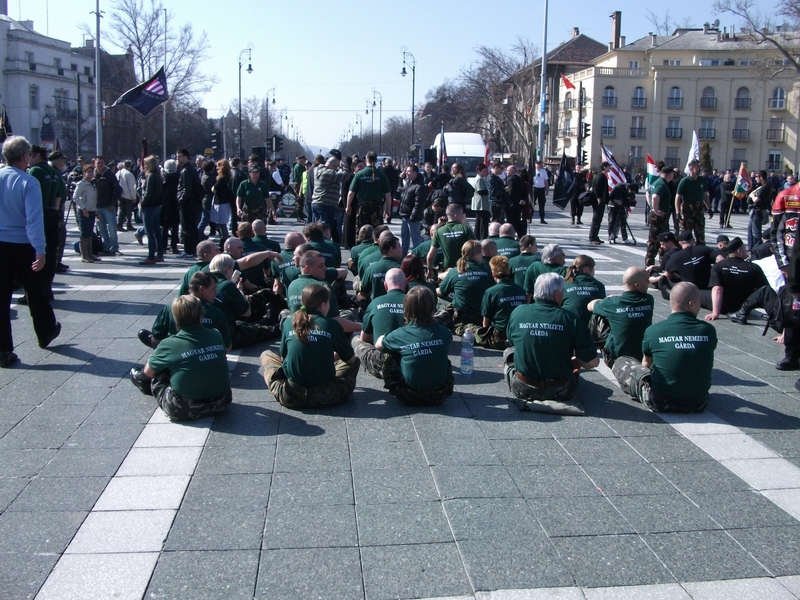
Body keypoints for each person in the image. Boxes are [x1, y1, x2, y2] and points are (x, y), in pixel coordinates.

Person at [0, 136, 61, 367]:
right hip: (24, 244)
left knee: (2, 297)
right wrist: (40, 250)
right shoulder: (28, 182)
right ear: (25, 156)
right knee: (35, 291)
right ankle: (45, 331)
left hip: (1, 243)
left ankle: (3, 349)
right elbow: (33, 220)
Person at [613, 282, 716, 413]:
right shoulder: (708, 330)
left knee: (622, 361)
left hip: (660, 402)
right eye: (699, 302)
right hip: (699, 403)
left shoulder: (654, 330)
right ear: (691, 304)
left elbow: (646, 364)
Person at [504, 272, 599, 415]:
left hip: (524, 389)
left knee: (509, 352)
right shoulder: (571, 319)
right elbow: (593, 363)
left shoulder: (518, 312)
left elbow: (512, 341)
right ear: (556, 295)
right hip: (561, 390)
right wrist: (578, 361)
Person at [130, 294, 231, 421]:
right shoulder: (216, 334)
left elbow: (148, 373)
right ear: (202, 315)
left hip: (185, 409)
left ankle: (144, 385)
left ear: (175, 318)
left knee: (158, 370)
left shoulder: (169, 344)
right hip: (222, 402)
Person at [260, 284, 360, 408]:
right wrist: (332, 357)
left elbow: (283, 359)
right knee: (354, 360)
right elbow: (350, 359)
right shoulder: (331, 325)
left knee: (266, 355)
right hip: (327, 396)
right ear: (323, 305)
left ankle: (279, 385)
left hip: (291, 396)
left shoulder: (288, 323)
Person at [376, 286, 454, 406]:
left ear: (406, 308)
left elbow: (378, 344)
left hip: (408, 396)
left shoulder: (401, 334)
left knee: (390, 352)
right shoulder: (445, 332)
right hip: (440, 395)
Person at [137, 270, 231, 351]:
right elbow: (227, 348)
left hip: (178, 354)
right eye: (213, 289)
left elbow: (157, 337)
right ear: (202, 290)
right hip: (208, 356)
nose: (216, 293)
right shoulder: (216, 312)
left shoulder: (170, 307)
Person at [588, 267, 654, 367]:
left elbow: (589, 306)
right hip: (641, 356)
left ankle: (590, 348)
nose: (649, 283)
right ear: (637, 285)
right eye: (647, 280)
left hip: (616, 359)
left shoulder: (612, 303)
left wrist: (608, 298)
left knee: (597, 314)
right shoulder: (648, 300)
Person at [352, 268, 407, 378]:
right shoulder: (415, 303)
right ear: (405, 284)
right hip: (411, 357)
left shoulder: (375, 302)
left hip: (383, 362)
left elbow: (365, 338)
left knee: (356, 339)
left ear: (385, 285)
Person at [703, 236, 769, 320]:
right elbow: (764, 290)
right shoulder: (754, 267)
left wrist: (715, 313)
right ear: (739, 252)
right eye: (745, 249)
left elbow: (717, 289)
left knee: (698, 293)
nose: (746, 251)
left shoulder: (718, 266)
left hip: (724, 307)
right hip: (745, 308)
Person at [438, 240, 494, 335]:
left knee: (438, 299)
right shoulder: (487, 271)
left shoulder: (455, 271)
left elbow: (441, 292)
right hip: (481, 316)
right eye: (481, 252)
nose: (482, 255)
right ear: (476, 254)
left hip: (462, 317)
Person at [478, 255, 526, 349]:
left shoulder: (491, 292)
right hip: (518, 336)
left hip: (499, 338)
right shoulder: (521, 290)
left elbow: (486, 320)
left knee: (471, 329)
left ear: (493, 273)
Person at [659, 231, 714, 299]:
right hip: (709, 288)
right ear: (693, 240)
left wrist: (653, 279)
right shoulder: (704, 249)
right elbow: (720, 259)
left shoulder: (675, 256)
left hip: (690, 291)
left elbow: (666, 276)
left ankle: (671, 294)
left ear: (680, 243)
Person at [347, 151, 392, 229]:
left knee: (362, 231)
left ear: (366, 160)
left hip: (362, 207)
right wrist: (388, 209)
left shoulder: (359, 174)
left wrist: (348, 206)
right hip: (377, 207)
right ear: (376, 161)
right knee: (376, 231)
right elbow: (388, 194)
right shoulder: (382, 175)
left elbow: (351, 193)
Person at [426, 203, 475, 274]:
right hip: (464, 267)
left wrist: (429, 270)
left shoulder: (439, 231)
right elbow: (475, 249)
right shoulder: (466, 229)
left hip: (447, 268)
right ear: (456, 216)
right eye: (462, 214)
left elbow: (430, 256)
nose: (463, 217)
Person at [311, 155, 350, 238]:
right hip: (326, 205)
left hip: (317, 203)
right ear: (333, 165)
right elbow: (345, 176)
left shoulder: (317, 170)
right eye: (336, 167)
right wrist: (344, 165)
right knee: (324, 229)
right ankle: (323, 242)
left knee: (317, 227)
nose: (336, 170)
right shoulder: (328, 173)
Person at [675, 160, 711, 245]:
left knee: (700, 234)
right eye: (697, 167)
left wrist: (709, 208)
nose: (699, 169)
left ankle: (700, 250)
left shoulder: (702, 180)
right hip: (688, 210)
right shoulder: (685, 181)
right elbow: (678, 197)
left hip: (699, 210)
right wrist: (677, 213)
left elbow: (705, 195)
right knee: (686, 234)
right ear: (691, 168)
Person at [645, 165, 676, 266]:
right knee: (656, 240)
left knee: (661, 240)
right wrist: (656, 210)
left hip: (658, 216)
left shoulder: (657, 182)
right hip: (659, 217)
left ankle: (660, 263)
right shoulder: (662, 184)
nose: (673, 176)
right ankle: (650, 264)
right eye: (673, 174)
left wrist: (651, 207)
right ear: (669, 174)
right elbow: (654, 197)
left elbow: (648, 193)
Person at [561, 255, 606, 325]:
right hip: (589, 326)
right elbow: (601, 307)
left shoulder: (565, 284)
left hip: (569, 323)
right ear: (587, 269)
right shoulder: (599, 286)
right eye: (593, 268)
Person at [137, 155, 165, 265]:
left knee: (150, 233)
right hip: (157, 206)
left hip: (149, 207)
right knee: (157, 231)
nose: (144, 166)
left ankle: (151, 256)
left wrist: (142, 204)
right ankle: (160, 255)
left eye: (145, 164)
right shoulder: (158, 176)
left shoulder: (151, 176)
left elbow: (148, 193)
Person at [93, 155, 123, 256]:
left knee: (112, 228)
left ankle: (114, 248)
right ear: (95, 164)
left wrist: (112, 203)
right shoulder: (92, 175)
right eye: (98, 163)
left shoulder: (109, 174)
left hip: (108, 206)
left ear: (104, 164)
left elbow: (117, 189)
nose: (100, 165)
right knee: (101, 229)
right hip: (96, 207)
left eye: (102, 163)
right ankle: (106, 247)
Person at [360, 234, 403, 301]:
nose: (402, 250)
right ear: (392, 250)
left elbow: (363, 292)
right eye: (399, 247)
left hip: (376, 305)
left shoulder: (371, 269)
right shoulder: (402, 268)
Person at [176, 148, 202, 258]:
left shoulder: (186, 171)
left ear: (186, 157)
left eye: (179, 156)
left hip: (187, 203)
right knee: (192, 228)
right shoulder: (191, 169)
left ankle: (189, 251)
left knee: (187, 228)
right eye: (177, 157)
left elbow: (186, 189)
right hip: (192, 202)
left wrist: (180, 199)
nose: (178, 159)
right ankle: (193, 250)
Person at [72, 164, 100, 263]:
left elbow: (94, 199)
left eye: (92, 172)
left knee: (89, 232)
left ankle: (90, 253)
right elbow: (75, 197)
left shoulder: (92, 184)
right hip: (84, 211)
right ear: (84, 173)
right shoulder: (81, 184)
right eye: (88, 172)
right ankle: (84, 255)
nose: (91, 174)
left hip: (92, 210)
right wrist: (83, 208)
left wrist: (96, 212)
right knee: (84, 233)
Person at [397, 163, 427, 254]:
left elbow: (419, 204)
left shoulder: (419, 186)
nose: (407, 173)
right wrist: (400, 179)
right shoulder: (409, 183)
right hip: (405, 214)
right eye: (406, 171)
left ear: (415, 172)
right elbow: (400, 191)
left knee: (415, 237)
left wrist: (413, 216)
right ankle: (404, 254)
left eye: (409, 171)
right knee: (404, 236)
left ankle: (418, 255)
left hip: (412, 216)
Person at [747, 171, 773, 251]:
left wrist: (752, 196)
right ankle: (751, 248)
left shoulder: (764, 188)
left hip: (758, 211)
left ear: (761, 177)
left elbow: (756, 200)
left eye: (757, 177)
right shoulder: (768, 185)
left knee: (756, 232)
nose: (756, 179)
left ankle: (757, 249)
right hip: (757, 210)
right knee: (750, 230)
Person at [211, 158, 234, 246]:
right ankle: (224, 240)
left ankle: (225, 241)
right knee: (221, 224)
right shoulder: (228, 178)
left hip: (221, 203)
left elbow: (214, 189)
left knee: (222, 224)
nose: (216, 168)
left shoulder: (222, 179)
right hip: (225, 203)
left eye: (218, 166)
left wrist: (212, 188)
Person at [589, 162, 611, 245]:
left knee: (599, 219)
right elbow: (596, 188)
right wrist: (598, 198)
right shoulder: (600, 176)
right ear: (604, 167)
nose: (610, 168)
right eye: (608, 166)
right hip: (598, 202)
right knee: (596, 219)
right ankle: (592, 237)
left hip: (602, 201)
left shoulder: (604, 176)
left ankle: (595, 236)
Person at [505, 165, 528, 238]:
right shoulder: (520, 179)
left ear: (512, 171)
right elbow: (525, 191)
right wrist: (522, 199)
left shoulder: (511, 179)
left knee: (511, 222)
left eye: (507, 170)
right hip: (518, 204)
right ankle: (521, 236)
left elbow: (510, 192)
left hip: (511, 204)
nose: (506, 172)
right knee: (517, 221)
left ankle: (510, 236)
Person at [116, 159, 138, 232]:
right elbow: (132, 187)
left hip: (120, 194)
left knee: (121, 210)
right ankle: (128, 224)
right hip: (127, 195)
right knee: (128, 211)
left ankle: (120, 224)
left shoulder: (118, 172)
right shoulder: (129, 174)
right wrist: (133, 197)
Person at [471, 163, 491, 240]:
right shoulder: (479, 179)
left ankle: (477, 236)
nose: (485, 172)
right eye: (484, 171)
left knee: (479, 221)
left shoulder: (479, 179)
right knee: (483, 222)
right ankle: (483, 237)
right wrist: (489, 191)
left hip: (479, 204)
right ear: (479, 171)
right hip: (481, 204)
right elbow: (481, 191)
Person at [532, 160, 549, 224]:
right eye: (537, 164)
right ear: (535, 164)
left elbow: (546, 181)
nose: (538, 165)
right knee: (532, 204)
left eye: (539, 164)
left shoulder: (543, 172)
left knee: (542, 204)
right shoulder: (533, 171)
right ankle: (530, 218)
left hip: (541, 189)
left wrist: (547, 189)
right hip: (534, 189)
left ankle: (542, 219)